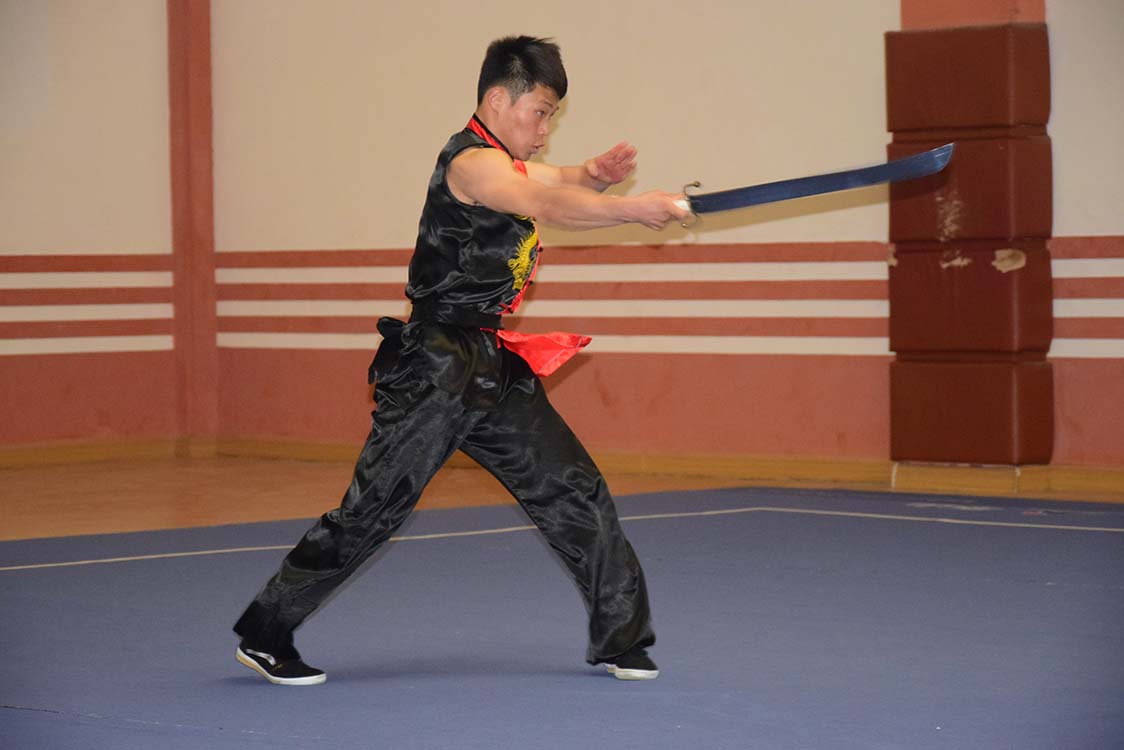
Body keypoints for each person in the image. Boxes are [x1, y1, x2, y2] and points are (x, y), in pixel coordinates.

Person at [232, 35, 689, 686]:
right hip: (436, 365)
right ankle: (265, 632)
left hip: (492, 363)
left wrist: (592, 174)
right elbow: (543, 202)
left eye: (553, 116)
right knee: (375, 508)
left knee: (571, 487)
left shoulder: (506, 163)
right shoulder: (473, 164)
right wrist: (633, 210)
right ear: (498, 100)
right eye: (541, 112)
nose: (546, 130)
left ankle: (622, 638)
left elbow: (555, 182)